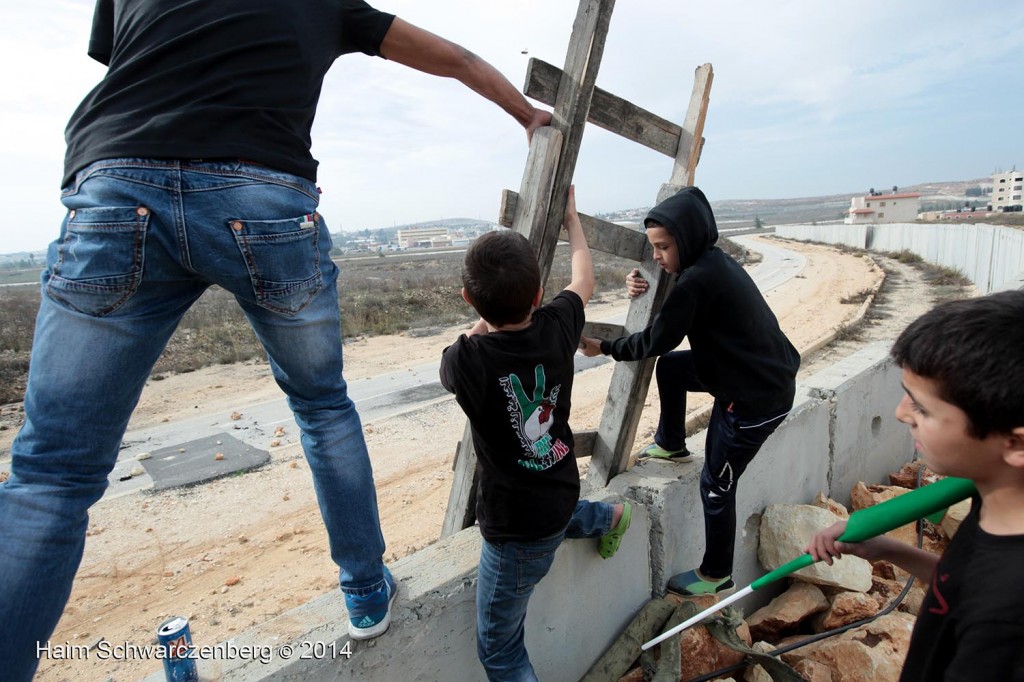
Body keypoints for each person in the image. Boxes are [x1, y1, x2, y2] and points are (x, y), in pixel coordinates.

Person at [0, 1, 552, 678]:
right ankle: (364, 592)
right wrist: (526, 114)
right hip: (262, 196)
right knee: (322, 408)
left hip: (119, 182)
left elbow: (129, 63)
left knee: (52, 476)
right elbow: (460, 60)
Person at [440, 187, 632, 681]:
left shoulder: (466, 361)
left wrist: (484, 319)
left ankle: (605, 517)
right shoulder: (559, 324)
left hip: (515, 531)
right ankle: (612, 515)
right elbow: (584, 277)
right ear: (539, 293)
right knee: (561, 518)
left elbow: (463, 344)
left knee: (500, 651)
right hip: (560, 487)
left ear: (468, 299)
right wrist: (571, 221)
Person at [579, 186, 800, 597]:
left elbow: (654, 340)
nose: (657, 255)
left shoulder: (696, 283)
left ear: (689, 236)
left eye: (662, 247)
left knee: (716, 485)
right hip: (747, 372)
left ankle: (716, 574)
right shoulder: (711, 261)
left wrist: (604, 346)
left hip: (755, 401)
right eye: (653, 248)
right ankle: (670, 442)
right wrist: (643, 274)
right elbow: (671, 283)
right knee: (675, 369)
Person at [806, 290, 1024, 681]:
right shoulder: (995, 498)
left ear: (1015, 443)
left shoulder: (1006, 620)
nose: (900, 413)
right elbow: (960, 585)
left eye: (923, 407)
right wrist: (889, 549)